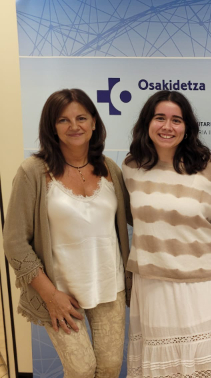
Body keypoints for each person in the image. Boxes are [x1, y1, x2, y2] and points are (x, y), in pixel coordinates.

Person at [3, 89, 130, 377]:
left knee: (110, 367)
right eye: (63, 120)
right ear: (51, 126)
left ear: (94, 122)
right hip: (58, 290)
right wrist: (49, 295)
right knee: (81, 369)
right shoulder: (33, 172)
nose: (74, 126)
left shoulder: (110, 168)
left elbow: (139, 214)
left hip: (109, 286)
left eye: (81, 118)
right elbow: (14, 242)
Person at [123, 91, 211, 377]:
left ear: (187, 127)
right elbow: (133, 215)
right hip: (152, 283)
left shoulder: (207, 165)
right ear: (147, 122)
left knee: (204, 364)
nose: (167, 126)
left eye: (177, 120)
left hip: (203, 282)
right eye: (160, 118)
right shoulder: (131, 166)